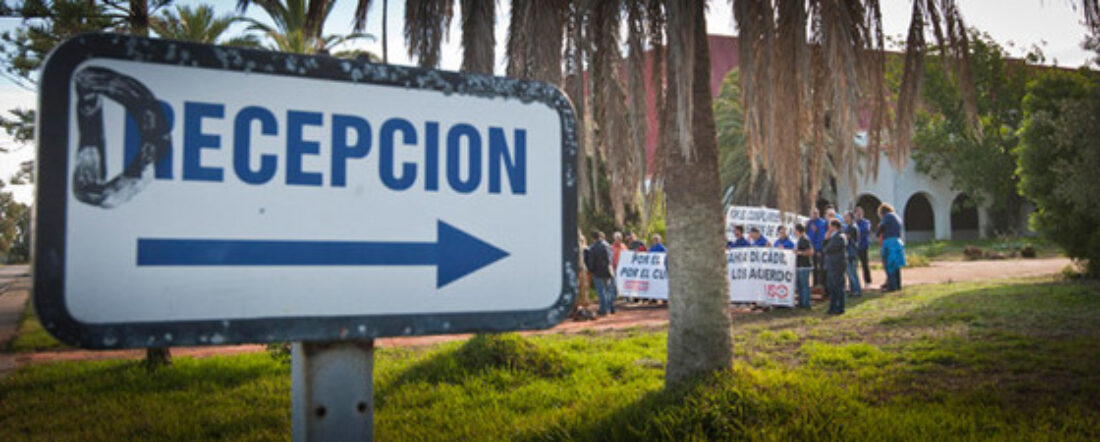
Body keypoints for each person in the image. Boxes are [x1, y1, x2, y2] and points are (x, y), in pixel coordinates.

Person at [583, 230, 616, 315]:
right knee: (608, 290)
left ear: (593, 238)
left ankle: (603, 310)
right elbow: (611, 258)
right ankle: (610, 308)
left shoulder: (593, 247)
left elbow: (591, 261)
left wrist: (591, 269)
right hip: (608, 270)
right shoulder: (608, 245)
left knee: (601, 291)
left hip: (598, 272)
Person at [878, 203, 907, 292]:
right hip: (897, 241)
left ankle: (891, 286)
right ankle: (898, 285)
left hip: (889, 242)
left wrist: (878, 233)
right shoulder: (896, 216)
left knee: (889, 265)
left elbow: (882, 226)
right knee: (896, 266)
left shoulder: (887, 216)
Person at [824, 219, 848, 314]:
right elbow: (824, 248)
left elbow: (829, 249)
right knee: (831, 287)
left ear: (834, 227)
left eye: (830, 226)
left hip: (837, 265)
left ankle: (840, 307)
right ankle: (832, 307)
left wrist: (827, 242)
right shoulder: (832, 237)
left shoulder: (840, 237)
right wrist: (826, 239)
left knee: (838, 287)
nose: (828, 228)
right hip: (831, 265)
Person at [793, 224, 814, 308]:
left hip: (804, 266)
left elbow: (810, 252)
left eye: (795, 230)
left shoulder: (805, 239)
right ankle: (801, 302)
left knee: (804, 285)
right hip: (799, 265)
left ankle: (806, 303)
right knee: (800, 285)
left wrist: (799, 253)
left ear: (798, 230)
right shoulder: (799, 239)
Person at [843, 212, 862, 297]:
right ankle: (852, 290)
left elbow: (847, 238)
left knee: (852, 273)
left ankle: (857, 291)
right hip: (850, 252)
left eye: (847, 217)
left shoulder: (852, 227)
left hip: (852, 252)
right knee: (850, 273)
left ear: (851, 217)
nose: (845, 218)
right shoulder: (849, 227)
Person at [807, 208, 827, 286]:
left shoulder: (822, 223)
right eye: (812, 213)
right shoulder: (809, 223)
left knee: (820, 268)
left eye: (815, 213)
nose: (814, 215)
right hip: (811, 249)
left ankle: (821, 285)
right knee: (814, 268)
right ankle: (815, 284)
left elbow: (821, 237)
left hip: (818, 249)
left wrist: (818, 250)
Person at [855, 207, 872, 284]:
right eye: (857, 214)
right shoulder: (853, 223)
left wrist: (855, 229)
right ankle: (855, 283)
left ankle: (867, 281)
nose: (859, 215)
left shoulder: (866, 222)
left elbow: (865, 230)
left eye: (860, 214)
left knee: (865, 264)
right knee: (854, 266)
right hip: (855, 247)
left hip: (863, 246)